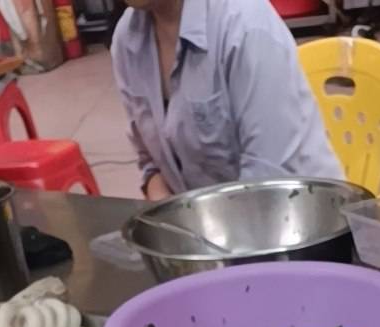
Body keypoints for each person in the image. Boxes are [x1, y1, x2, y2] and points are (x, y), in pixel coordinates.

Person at [111, 0, 344, 200]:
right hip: (206, 225)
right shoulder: (128, 38)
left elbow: (269, 184)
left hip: (297, 218)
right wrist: (165, 210)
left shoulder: (245, 25)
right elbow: (151, 164)